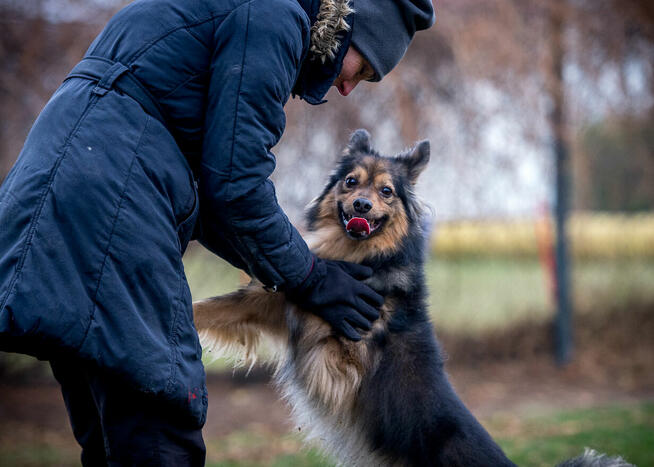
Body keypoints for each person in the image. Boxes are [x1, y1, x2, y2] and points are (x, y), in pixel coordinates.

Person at [0, 0, 434, 464]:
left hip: (62, 194)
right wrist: (309, 277)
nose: (348, 87)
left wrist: (299, 274)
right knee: (159, 425)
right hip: (111, 201)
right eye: (361, 67)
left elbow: (216, 201)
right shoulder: (274, 15)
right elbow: (236, 186)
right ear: (348, 23)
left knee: (114, 439)